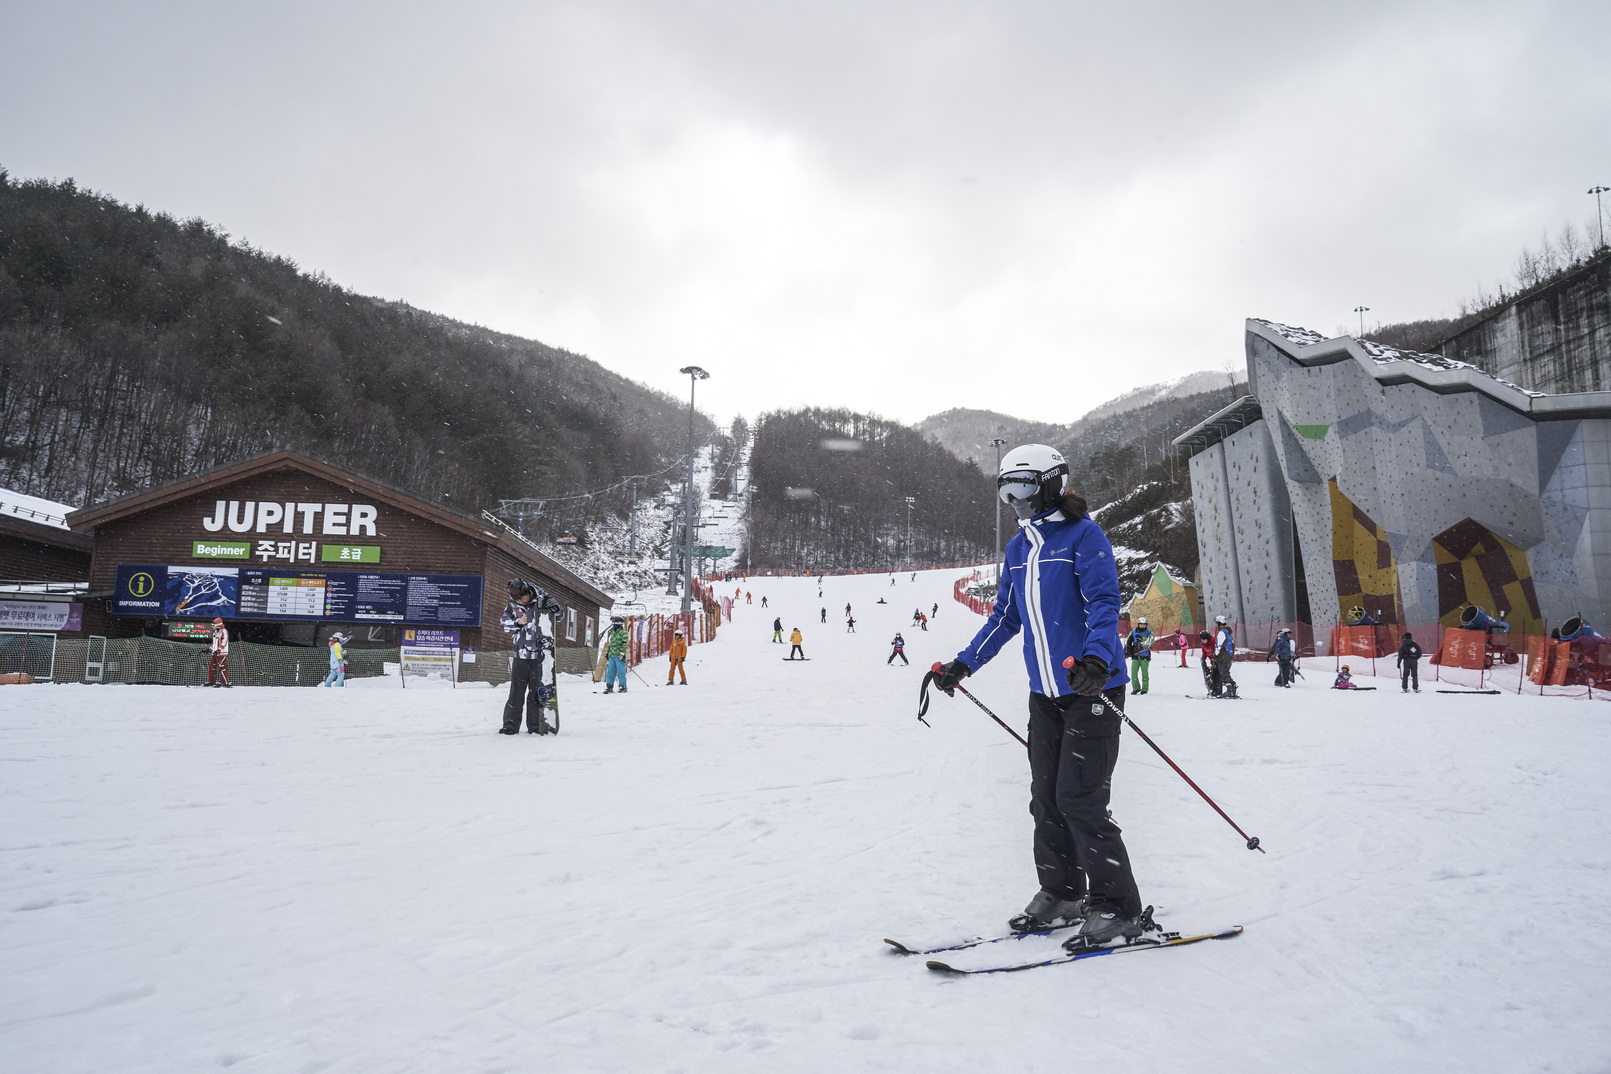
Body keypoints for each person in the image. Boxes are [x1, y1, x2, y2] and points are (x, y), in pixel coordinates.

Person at [932, 443, 1142, 948]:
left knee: (1080, 798)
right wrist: (964, 663)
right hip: (1044, 695)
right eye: (1007, 490)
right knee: (1046, 798)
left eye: (1023, 487)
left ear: (1051, 483)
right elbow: (1005, 617)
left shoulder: (1084, 535)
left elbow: (1103, 602)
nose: (1016, 500)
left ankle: (1118, 907)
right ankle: (1063, 894)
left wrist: (1097, 660)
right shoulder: (1018, 549)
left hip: (1092, 687)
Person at [500, 577, 562, 734]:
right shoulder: (512, 605)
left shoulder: (544, 600)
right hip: (520, 655)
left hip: (539, 657)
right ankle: (510, 726)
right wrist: (518, 622)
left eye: (522, 599)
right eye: (517, 600)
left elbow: (559, 616)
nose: (520, 602)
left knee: (535, 693)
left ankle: (535, 727)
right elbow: (504, 624)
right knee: (516, 692)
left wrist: (554, 608)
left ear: (528, 592)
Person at [1123, 617, 1152, 695]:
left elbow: (1151, 641)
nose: (1142, 626)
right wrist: (1129, 651)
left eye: (1144, 624)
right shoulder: (1133, 632)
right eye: (1141, 624)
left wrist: (1142, 638)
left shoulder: (1149, 632)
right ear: (1138, 624)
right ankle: (1136, 688)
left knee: (1144, 673)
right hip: (1135, 655)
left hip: (1145, 656)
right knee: (1134, 672)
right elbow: (1129, 642)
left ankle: (1145, 689)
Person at [1213, 615, 1239, 699]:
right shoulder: (1228, 632)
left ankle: (1230, 690)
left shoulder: (1222, 633)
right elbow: (1232, 644)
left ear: (1219, 624)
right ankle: (1232, 690)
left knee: (1223, 674)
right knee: (1226, 673)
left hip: (1223, 657)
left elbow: (1219, 645)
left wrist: (1216, 654)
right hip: (1228, 657)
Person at [603, 616, 629, 694]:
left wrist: (622, 653)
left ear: (618, 623)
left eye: (614, 623)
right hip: (612, 655)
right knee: (610, 672)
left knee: (621, 672)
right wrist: (608, 652)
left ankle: (622, 686)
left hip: (619, 656)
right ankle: (609, 686)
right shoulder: (613, 633)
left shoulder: (623, 632)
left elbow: (624, 644)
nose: (613, 625)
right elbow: (611, 644)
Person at [207, 617, 230, 687]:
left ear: (218, 625)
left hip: (222, 653)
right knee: (212, 666)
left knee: (221, 666)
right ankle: (211, 681)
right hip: (215, 653)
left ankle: (225, 682)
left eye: (213, 625)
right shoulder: (215, 632)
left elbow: (224, 642)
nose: (212, 627)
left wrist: (219, 650)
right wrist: (209, 649)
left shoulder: (224, 631)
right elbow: (214, 643)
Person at [1199, 629, 1217, 696]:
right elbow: (1204, 652)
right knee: (1209, 676)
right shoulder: (1203, 643)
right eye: (1202, 639)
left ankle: (1216, 690)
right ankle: (1211, 689)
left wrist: (1215, 657)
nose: (1203, 641)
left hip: (1217, 661)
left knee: (1215, 676)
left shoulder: (1214, 642)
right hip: (1212, 661)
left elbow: (1216, 651)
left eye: (1204, 639)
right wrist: (1203, 658)